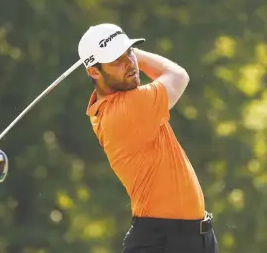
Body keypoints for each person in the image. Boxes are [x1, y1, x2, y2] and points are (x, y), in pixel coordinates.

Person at [78, 23, 218, 253]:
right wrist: (136, 56)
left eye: (130, 53)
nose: (129, 63)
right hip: (164, 241)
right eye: (116, 60)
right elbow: (177, 75)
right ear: (94, 71)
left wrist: (123, 51)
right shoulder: (127, 109)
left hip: (187, 239)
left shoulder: (115, 105)